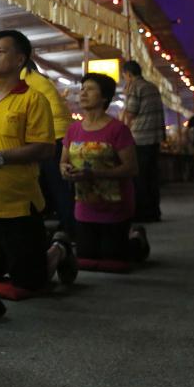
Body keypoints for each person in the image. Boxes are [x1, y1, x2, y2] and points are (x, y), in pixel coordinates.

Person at [0, 29, 78, 290]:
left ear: (20, 60)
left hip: (19, 206)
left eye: (1, 51)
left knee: (30, 283)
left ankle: (59, 249)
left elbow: (44, 149)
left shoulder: (34, 99)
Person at [61, 73, 149, 263]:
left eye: (90, 89)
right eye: (82, 89)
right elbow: (63, 162)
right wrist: (65, 170)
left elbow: (131, 168)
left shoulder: (117, 130)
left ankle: (137, 239)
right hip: (85, 205)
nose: (83, 93)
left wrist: (94, 173)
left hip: (115, 207)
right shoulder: (73, 130)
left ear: (104, 98)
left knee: (114, 259)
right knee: (86, 258)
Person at [23, 61, 75, 236]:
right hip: (60, 133)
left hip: (53, 134)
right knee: (53, 183)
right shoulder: (41, 79)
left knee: (56, 184)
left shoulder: (25, 78)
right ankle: (64, 225)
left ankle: (69, 228)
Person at [122, 60, 165, 222]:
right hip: (155, 138)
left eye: (125, 76)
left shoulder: (135, 87)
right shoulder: (152, 87)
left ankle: (142, 213)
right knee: (152, 177)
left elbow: (130, 113)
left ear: (129, 74)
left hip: (140, 139)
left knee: (139, 178)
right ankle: (154, 211)